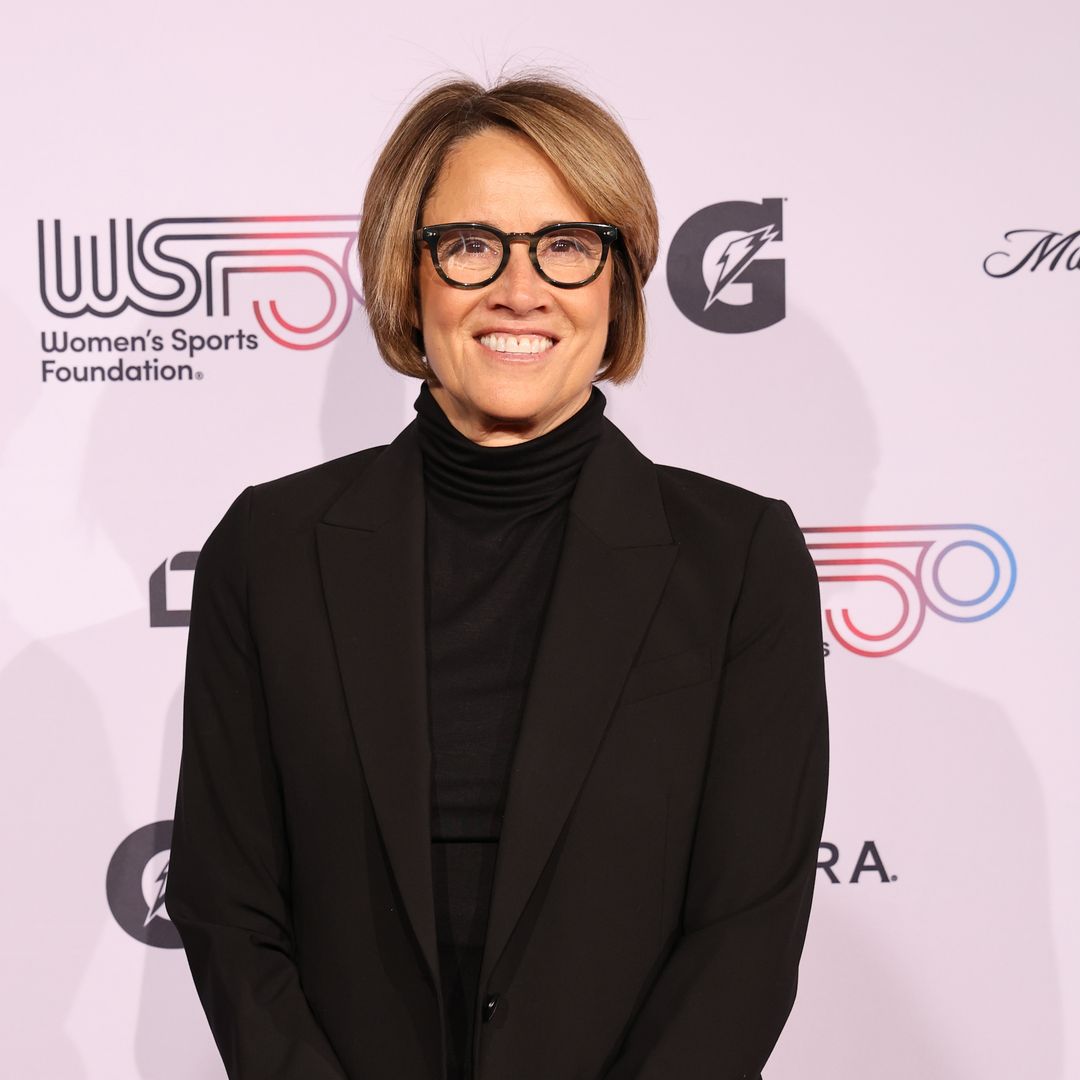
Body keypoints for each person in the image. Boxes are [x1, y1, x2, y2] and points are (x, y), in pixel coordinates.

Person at [167, 73, 829, 1080]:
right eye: (472, 244)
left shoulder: (738, 560)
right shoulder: (270, 549)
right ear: (409, 271)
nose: (520, 290)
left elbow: (746, 931)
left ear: (617, 280)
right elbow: (227, 902)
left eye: (567, 245)